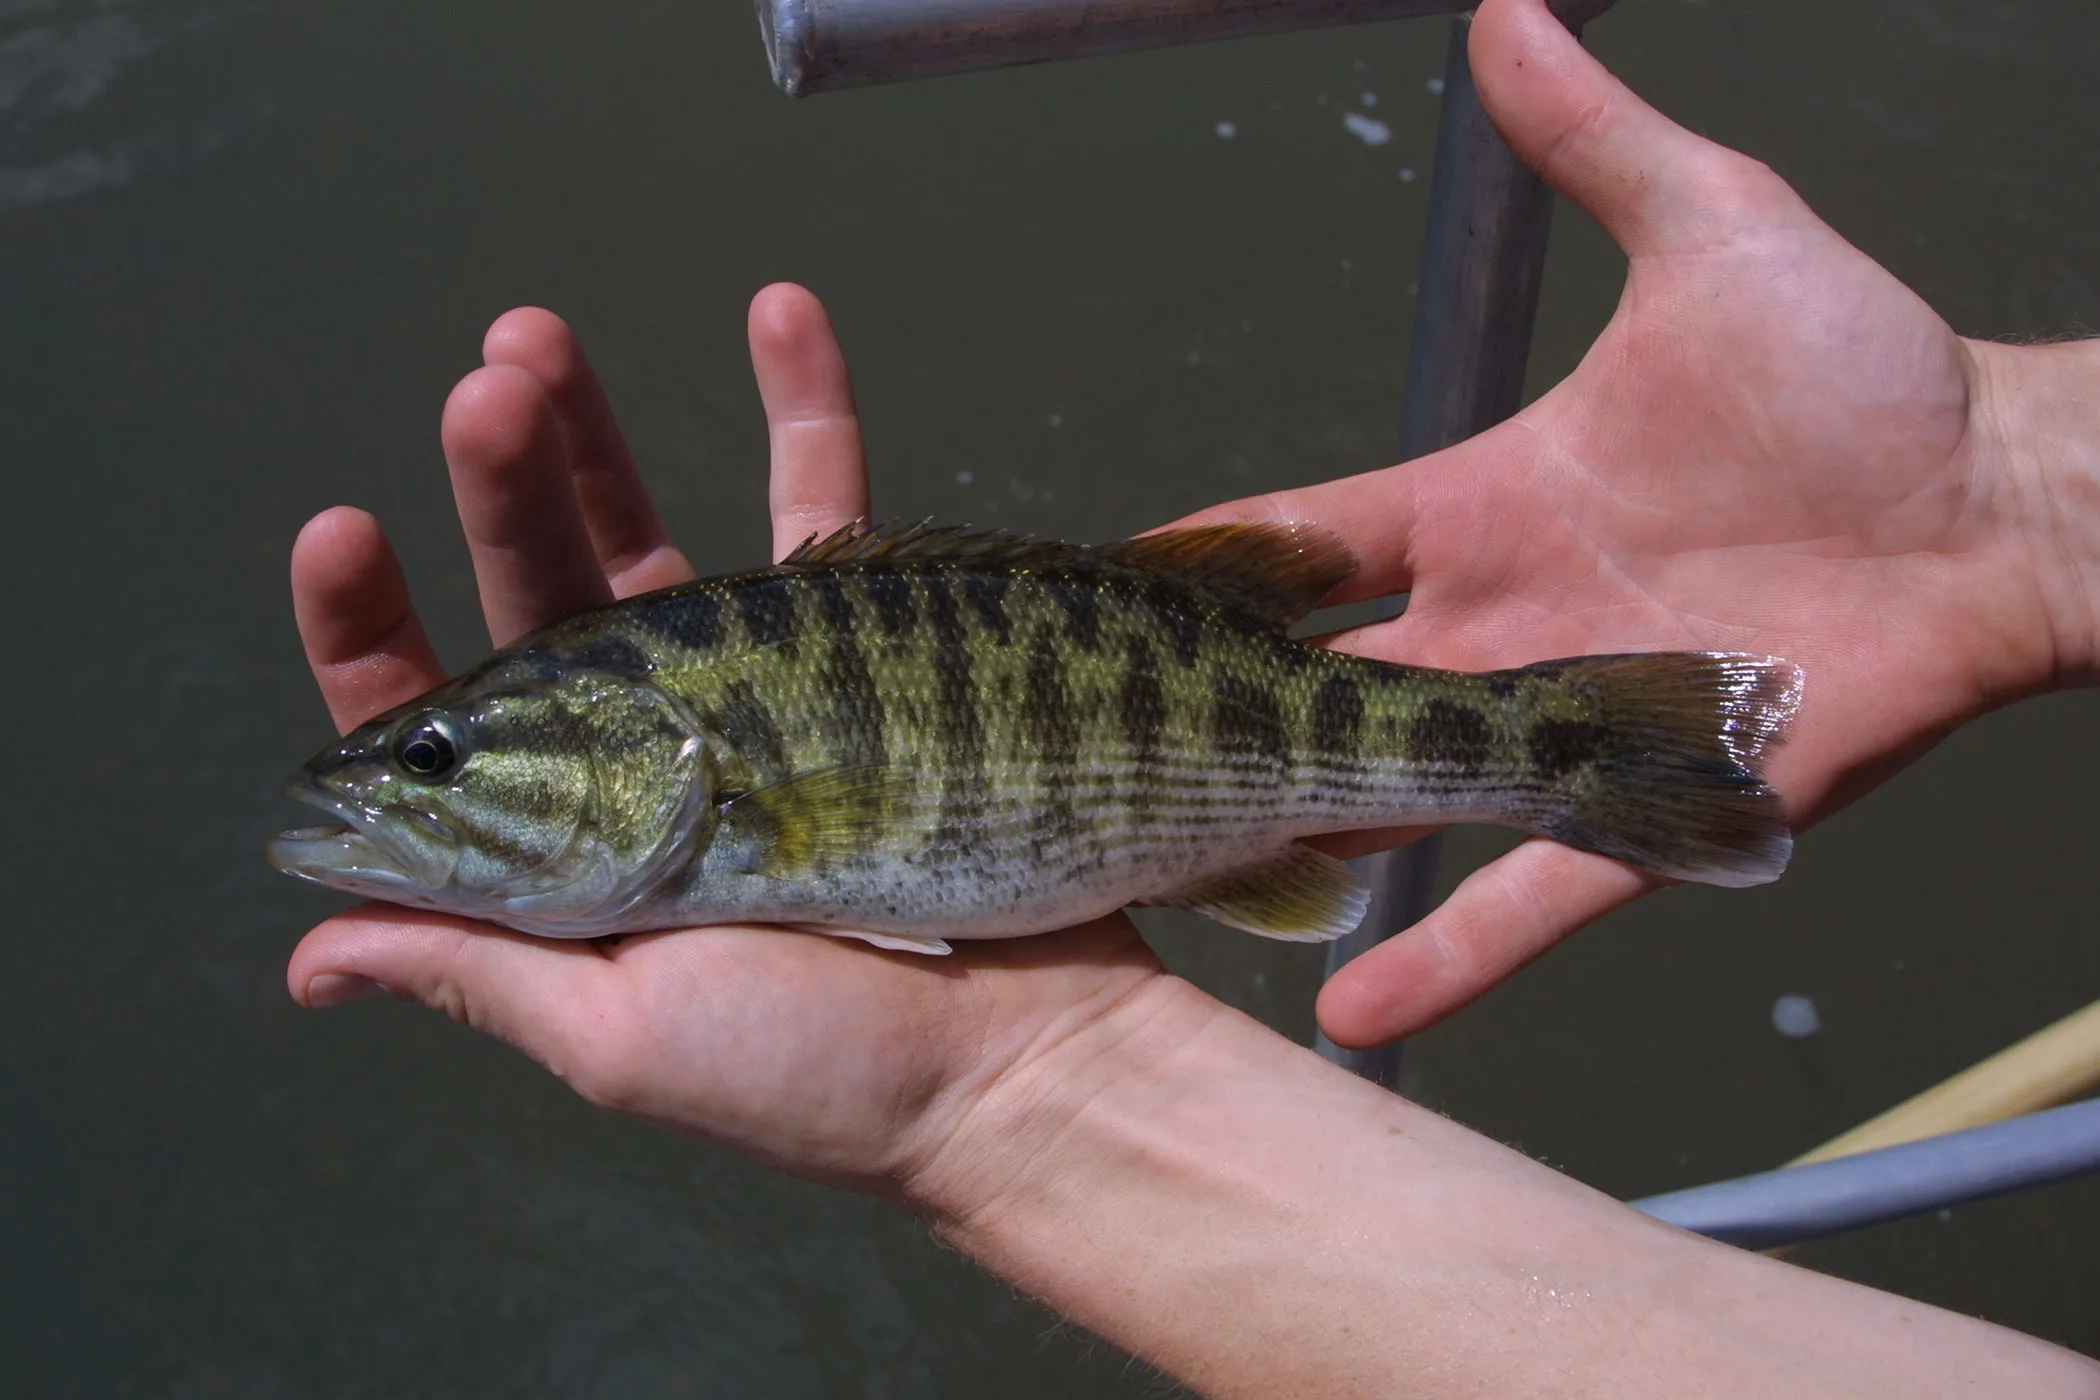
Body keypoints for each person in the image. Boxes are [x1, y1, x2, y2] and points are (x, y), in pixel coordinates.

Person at [280, 0, 2100, 1392]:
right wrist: (2013, 500)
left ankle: (1558, 741)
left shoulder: (728, 796)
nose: (399, 792)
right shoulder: (698, 800)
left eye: (436, 760)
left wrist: (2020, 495)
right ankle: (1565, 740)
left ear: (642, 762)